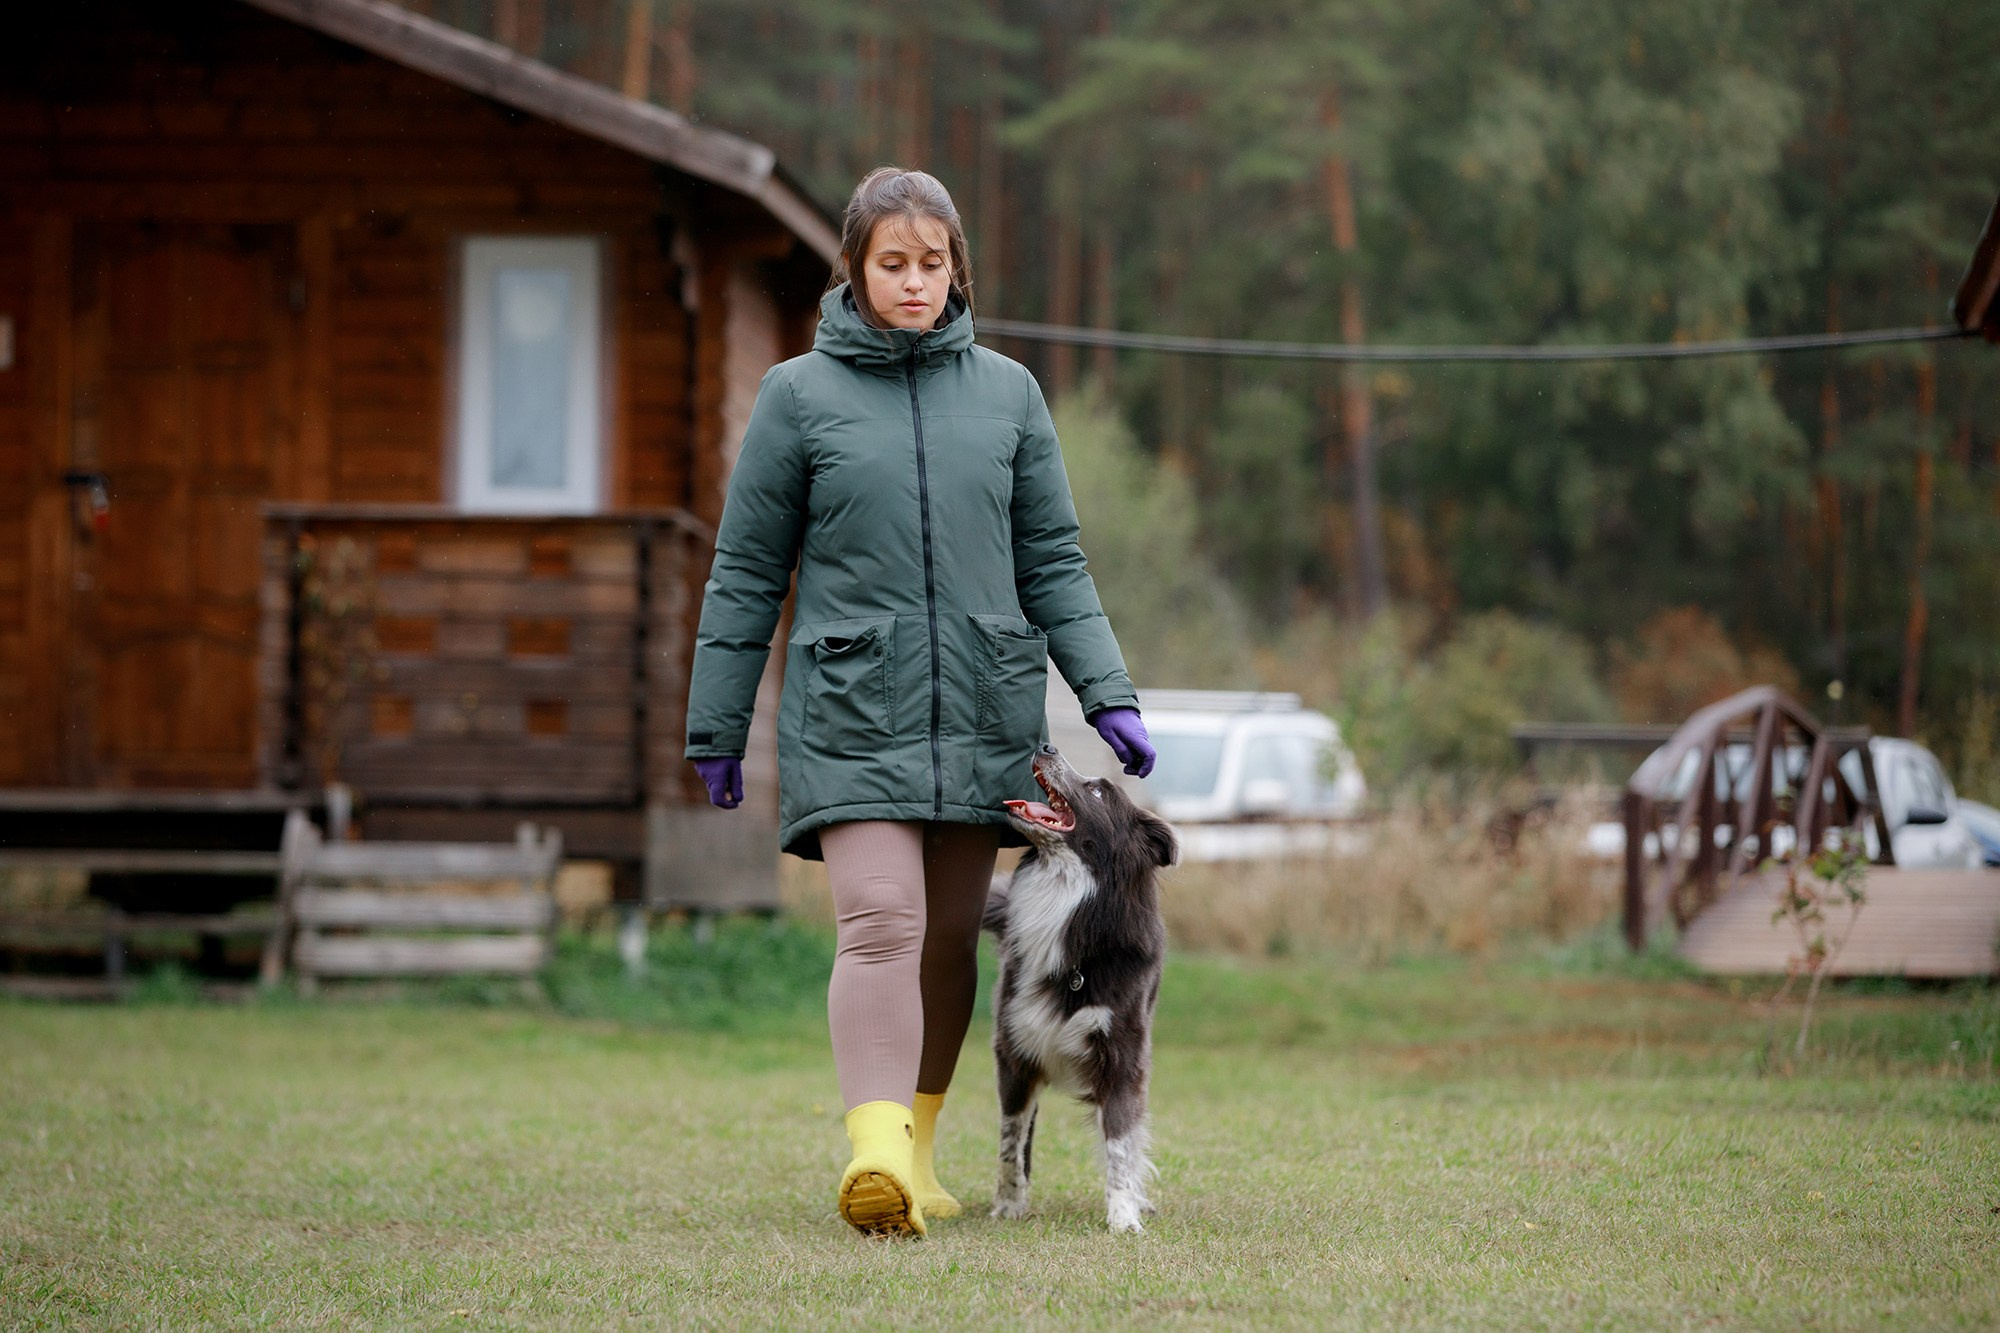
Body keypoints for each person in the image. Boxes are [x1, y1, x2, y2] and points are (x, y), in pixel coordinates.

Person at [683, 166, 1156, 1238]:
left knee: (948, 934)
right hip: (852, 708)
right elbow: (746, 569)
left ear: (957, 271)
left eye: (929, 264)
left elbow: (1053, 561)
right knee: (883, 920)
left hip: (985, 714)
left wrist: (1106, 693)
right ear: (852, 269)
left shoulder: (1008, 395)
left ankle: (923, 1153)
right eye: (889, 263)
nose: (911, 282)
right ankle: (876, 1153)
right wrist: (716, 724)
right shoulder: (795, 395)